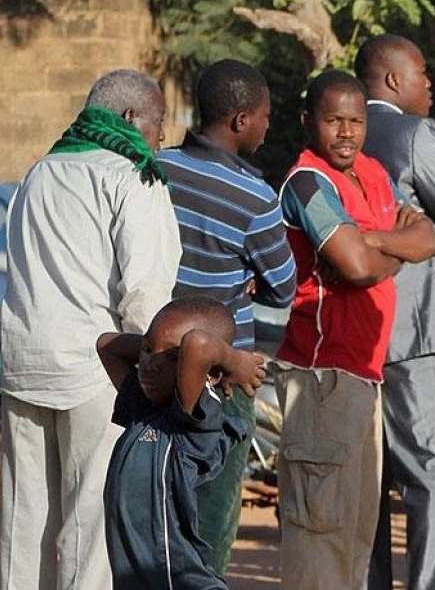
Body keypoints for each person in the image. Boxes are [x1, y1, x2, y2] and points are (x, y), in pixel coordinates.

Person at [0, 69, 181, 590]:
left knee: (21, 518)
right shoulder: (133, 176)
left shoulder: (39, 172)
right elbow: (145, 297)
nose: (161, 137)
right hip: (95, 367)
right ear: (128, 118)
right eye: (158, 122)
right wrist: (157, 372)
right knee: (89, 524)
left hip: (20, 359)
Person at [272, 70, 435, 590]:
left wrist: (371, 241)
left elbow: (428, 238)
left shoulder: (373, 173)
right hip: (321, 380)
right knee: (319, 537)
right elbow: (356, 266)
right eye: (332, 121)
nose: (346, 133)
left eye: (356, 121)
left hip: (364, 378)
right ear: (307, 122)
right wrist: (386, 250)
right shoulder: (307, 181)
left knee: (355, 538)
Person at [354, 34, 435, 590]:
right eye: (423, 72)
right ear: (391, 80)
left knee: (371, 479)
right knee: (432, 472)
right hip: (414, 330)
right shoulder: (412, 133)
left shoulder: (337, 132)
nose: (430, 84)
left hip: (356, 332)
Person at [157, 58, 296, 573]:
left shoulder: (157, 169)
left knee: (154, 509)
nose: (268, 126)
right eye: (265, 116)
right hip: (221, 377)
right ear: (240, 120)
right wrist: (246, 270)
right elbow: (283, 289)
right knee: (211, 521)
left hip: (152, 365)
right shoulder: (256, 199)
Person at [97, 297, 263, 589]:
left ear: (211, 373)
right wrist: (157, 348)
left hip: (178, 579)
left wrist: (236, 361)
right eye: (147, 351)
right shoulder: (145, 408)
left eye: (173, 358)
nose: (149, 366)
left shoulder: (193, 420)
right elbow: (106, 345)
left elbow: (197, 343)